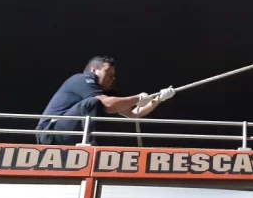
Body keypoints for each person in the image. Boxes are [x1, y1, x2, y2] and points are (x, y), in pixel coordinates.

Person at [35, 56, 175, 145]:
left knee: (95, 102)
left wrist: (159, 99)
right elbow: (108, 104)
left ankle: (87, 141)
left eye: (114, 76)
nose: (112, 78)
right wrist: (137, 98)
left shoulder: (97, 92)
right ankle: (88, 143)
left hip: (63, 134)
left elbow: (134, 114)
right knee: (93, 103)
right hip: (49, 133)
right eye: (109, 73)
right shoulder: (81, 79)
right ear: (94, 70)